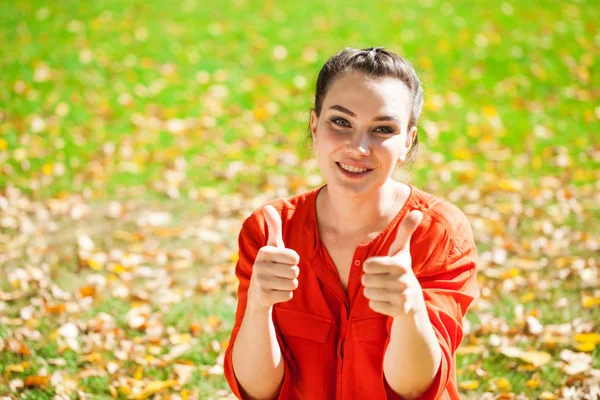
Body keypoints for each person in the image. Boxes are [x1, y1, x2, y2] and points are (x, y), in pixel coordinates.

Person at [224, 47, 479, 400]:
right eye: (341, 122)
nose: (358, 147)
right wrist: (259, 306)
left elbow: (416, 390)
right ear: (315, 125)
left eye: (383, 129)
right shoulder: (270, 232)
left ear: (408, 141)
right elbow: (258, 391)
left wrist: (410, 311)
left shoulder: (439, 233)